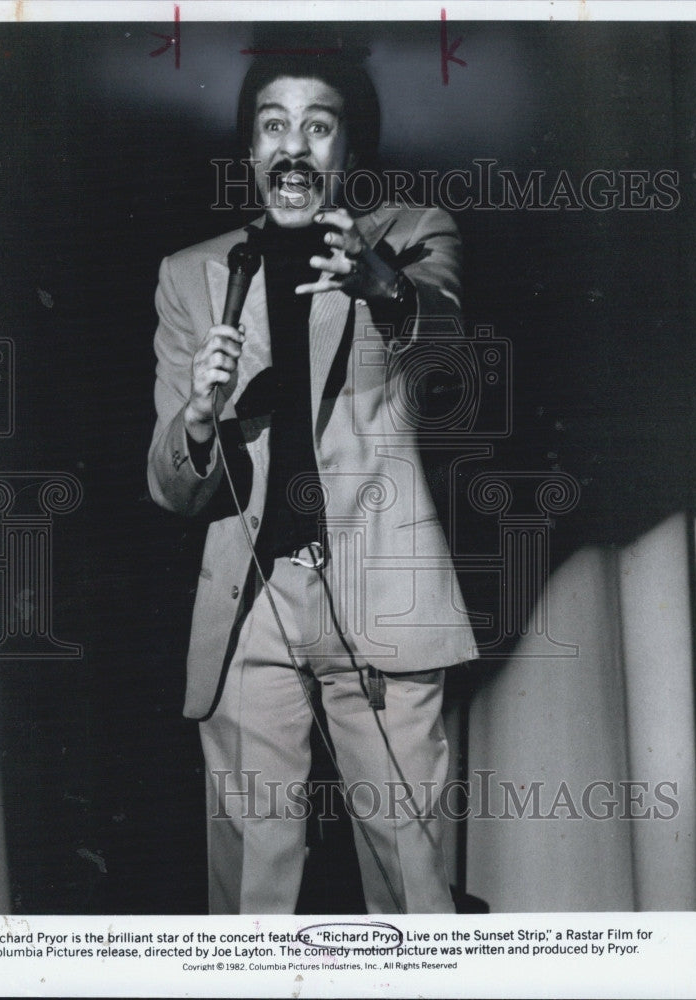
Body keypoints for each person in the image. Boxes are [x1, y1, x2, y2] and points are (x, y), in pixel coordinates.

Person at [147, 51, 479, 914]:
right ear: (251, 151)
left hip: (383, 595)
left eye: (317, 125)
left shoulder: (411, 233)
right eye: (272, 125)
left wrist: (387, 292)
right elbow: (172, 491)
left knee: (412, 886)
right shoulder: (191, 275)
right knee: (251, 895)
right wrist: (195, 422)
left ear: (348, 152)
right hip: (251, 603)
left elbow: (452, 377)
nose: (293, 146)